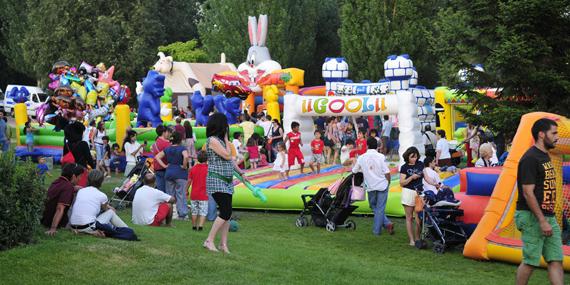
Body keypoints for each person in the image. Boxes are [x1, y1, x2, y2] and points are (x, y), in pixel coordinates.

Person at [515, 118, 563, 285]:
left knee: (556, 259)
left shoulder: (544, 155)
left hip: (548, 216)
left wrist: (547, 218)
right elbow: (528, 193)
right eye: (554, 133)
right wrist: (542, 221)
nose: (557, 137)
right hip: (531, 216)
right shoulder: (530, 158)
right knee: (530, 261)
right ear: (541, 134)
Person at [203, 113, 247, 253]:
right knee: (226, 211)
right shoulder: (212, 140)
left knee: (227, 213)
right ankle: (209, 240)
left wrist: (241, 173)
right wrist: (228, 139)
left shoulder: (221, 141)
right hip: (217, 180)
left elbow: (231, 161)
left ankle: (223, 244)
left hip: (226, 181)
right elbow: (227, 155)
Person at [70, 170, 132, 238]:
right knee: (110, 212)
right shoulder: (102, 195)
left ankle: (122, 229)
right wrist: (110, 208)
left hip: (73, 225)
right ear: (101, 181)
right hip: (87, 226)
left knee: (106, 212)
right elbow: (105, 210)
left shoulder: (81, 191)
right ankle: (127, 229)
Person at [352, 137, 394, 235]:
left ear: (367, 146)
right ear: (377, 146)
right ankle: (386, 223)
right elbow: (387, 172)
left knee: (374, 206)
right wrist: (388, 182)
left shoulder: (362, 157)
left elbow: (354, 171)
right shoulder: (381, 157)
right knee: (380, 208)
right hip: (382, 185)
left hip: (370, 186)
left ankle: (377, 231)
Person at [41, 163, 84, 236]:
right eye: (80, 177)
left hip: (45, 220)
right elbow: (60, 208)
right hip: (55, 223)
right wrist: (53, 228)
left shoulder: (56, 182)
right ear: (73, 176)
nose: (80, 179)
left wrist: (74, 188)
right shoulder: (68, 187)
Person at [155, 131, 189, 220]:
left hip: (169, 172)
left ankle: (171, 214)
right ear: (180, 139)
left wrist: (165, 166)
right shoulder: (182, 148)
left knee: (170, 195)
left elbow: (157, 157)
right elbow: (186, 157)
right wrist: (184, 166)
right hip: (180, 173)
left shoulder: (167, 148)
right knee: (181, 194)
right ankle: (182, 214)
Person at [399, 147, 424, 246]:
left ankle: (417, 238)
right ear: (407, 157)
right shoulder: (404, 167)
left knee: (419, 217)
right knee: (409, 217)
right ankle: (411, 240)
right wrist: (411, 177)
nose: (414, 159)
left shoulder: (421, 164)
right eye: (412, 157)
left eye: (416, 156)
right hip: (408, 192)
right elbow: (402, 182)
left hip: (419, 192)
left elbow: (425, 174)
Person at [188, 151, 209, 230]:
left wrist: (186, 189)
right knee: (203, 212)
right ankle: (200, 226)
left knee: (194, 211)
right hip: (204, 194)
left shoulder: (193, 168)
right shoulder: (208, 169)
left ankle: (194, 226)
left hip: (194, 194)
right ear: (207, 159)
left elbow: (189, 181)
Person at [151, 125, 172, 192]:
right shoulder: (168, 144)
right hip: (167, 169)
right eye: (167, 132)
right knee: (169, 193)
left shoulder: (155, 144)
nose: (168, 134)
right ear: (164, 132)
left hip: (157, 169)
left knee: (161, 192)